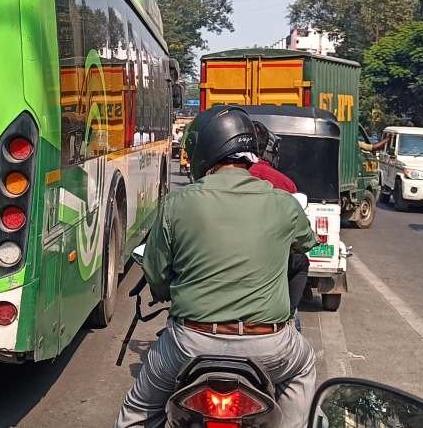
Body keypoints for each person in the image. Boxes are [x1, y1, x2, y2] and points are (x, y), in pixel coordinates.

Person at [116, 106, 318, 428]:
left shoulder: (178, 203)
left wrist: (165, 290)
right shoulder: (283, 202)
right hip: (270, 346)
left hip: (191, 342)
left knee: (138, 410)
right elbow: (306, 244)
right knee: (303, 368)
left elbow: (155, 272)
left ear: (204, 151)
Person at [247, 121, 307, 325]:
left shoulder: (207, 180)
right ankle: (287, 319)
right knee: (300, 261)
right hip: (270, 265)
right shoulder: (284, 184)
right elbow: (302, 238)